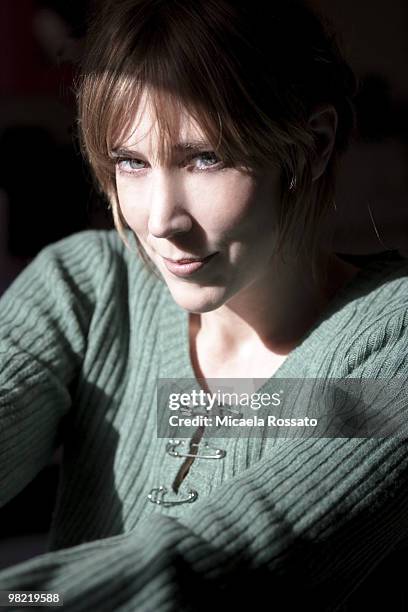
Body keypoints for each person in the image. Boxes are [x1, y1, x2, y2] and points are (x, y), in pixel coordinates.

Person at [0, 0, 408, 610]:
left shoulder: (391, 342)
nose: (161, 221)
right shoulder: (86, 286)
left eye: (205, 157)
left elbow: (211, 563)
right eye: (131, 162)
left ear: (314, 145)